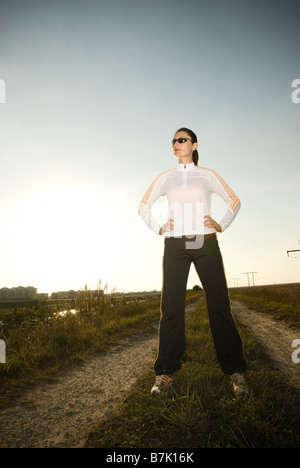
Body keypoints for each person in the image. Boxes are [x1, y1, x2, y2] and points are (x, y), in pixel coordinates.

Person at [138, 127, 248, 397]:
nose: (176, 144)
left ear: (194, 145)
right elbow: (142, 206)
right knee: (171, 308)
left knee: (219, 304)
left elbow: (234, 201)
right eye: (174, 141)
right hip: (175, 244)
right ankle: (164, 372)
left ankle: (236, 371)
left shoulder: (207, 175)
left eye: (182, 140)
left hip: (204, 242)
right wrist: (159, 227)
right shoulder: (165, 178)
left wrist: (220, 224)